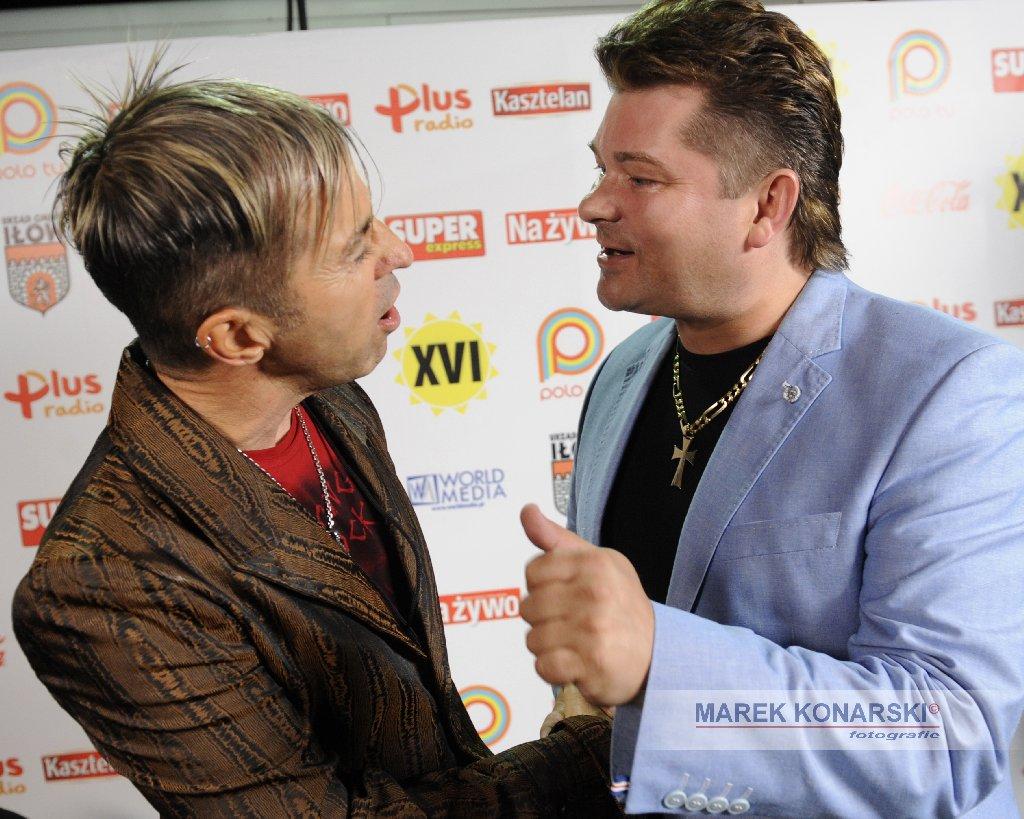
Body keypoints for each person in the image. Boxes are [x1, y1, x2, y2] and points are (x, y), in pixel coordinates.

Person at [11, 60, 618, 818]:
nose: (400, 251)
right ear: (239, 336)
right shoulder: (103, 585)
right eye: (353, 247)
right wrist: (601, 744)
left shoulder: (330, 397)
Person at [519, 0, 1024, 815]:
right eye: (601, 168)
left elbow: (946, 735)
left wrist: (661, 661)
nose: (595, 204)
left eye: (640, 178)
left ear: (767, 205)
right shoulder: (621, 374)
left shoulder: (952, 390)